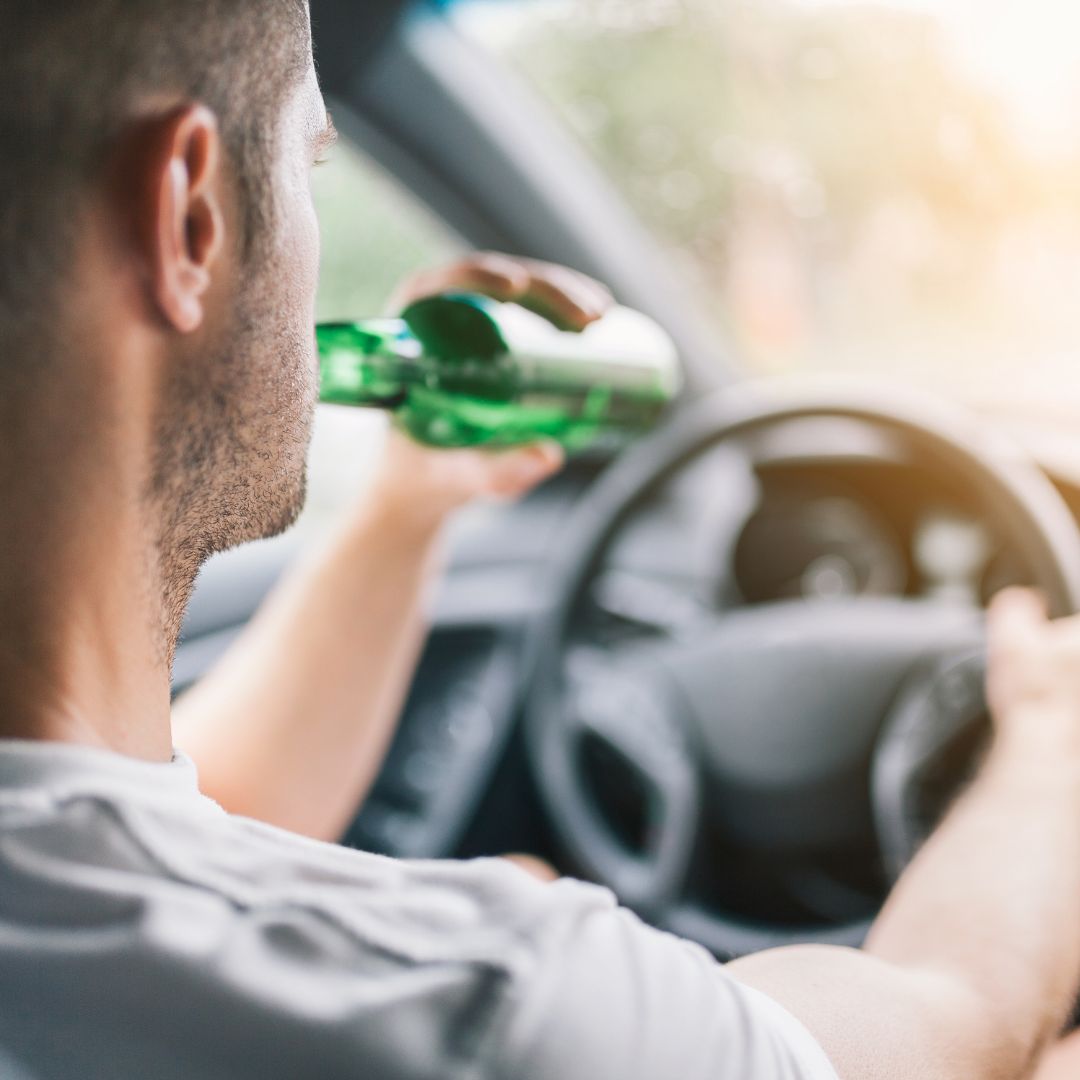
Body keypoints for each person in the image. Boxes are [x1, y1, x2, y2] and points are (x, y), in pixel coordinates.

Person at [2, 3, 1080, 1078]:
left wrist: (406, 512)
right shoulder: (492, 1008)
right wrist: (1045, 740)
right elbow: (961, 1023)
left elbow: (164, 831)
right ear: (190, 210)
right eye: (309, 166)